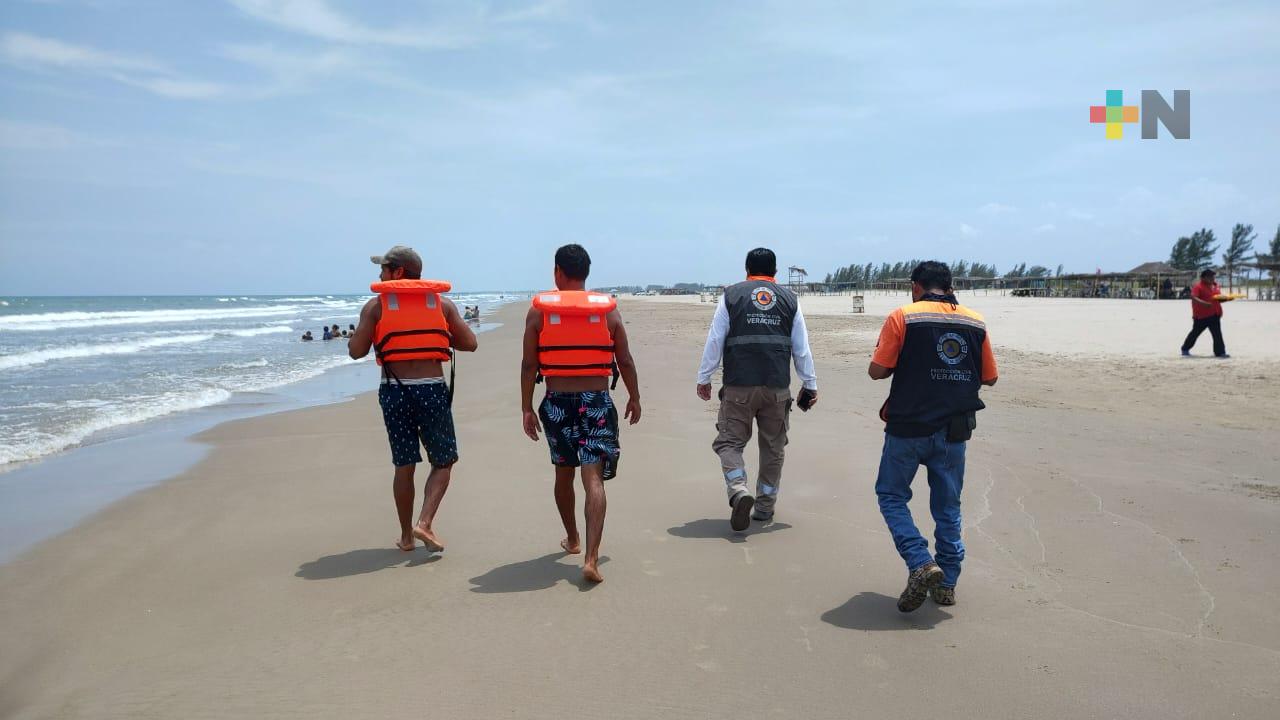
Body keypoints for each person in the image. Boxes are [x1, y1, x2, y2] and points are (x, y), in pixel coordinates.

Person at [868, 261, 998, 612]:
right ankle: (948, 584)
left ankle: (921, 561)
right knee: (948, 507)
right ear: (950, 284)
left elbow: (877, 371)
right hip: (953, 430)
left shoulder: (902, 317)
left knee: (891, 495)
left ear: (915, 286)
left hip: (907, 427)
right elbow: (990, 378)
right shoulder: (975, 321)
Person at [520, 244, 641, 584]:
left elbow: (530, 365)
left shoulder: (538, 314)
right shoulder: (608, 313)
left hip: (557, 400)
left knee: (563, 473)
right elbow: (626, 361)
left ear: (557, 271)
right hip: (597, 399)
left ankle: (572, 538)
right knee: (593, 478)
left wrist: (526, 407)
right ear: (586, 273)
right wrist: (634, 397)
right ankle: (591, 558)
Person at [348, 246, 478, 553]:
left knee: (404, 464)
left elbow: (356, 351)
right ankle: (425, 522)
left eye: (383, 269)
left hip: (394, 391)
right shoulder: (442, 305)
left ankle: (407, 537)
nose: (379, 274)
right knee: (444, 460)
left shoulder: (376, 307)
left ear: (398, 273)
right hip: (431, 389)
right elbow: (470, 343)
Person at [696, 247, 818, 531]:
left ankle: (739, 488)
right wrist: (810, 384)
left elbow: (715, 340)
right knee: (773, 448)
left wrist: (705, 377)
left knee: (729, 442)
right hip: (777, 387)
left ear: (746, 268)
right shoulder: (790, 299)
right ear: (775, 271)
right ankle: (765, 507)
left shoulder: (731, 295)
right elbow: (802, 348)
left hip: (739, 386)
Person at [1181, 269, 1229, 358]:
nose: (1212, 279)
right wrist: (1204, 303)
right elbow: (1193, 297)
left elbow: (1217, 298)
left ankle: (1220, 352)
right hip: (1201, 316)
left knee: (1217, 334)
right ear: (1203, 278)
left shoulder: (1215, 286)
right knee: (1195, 333)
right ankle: (1185, 349)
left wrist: (1227, 299)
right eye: (1210, 277)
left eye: (1213, 277)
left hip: (1215, 314)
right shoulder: (1198, 287)